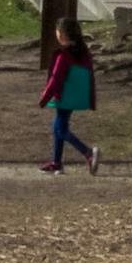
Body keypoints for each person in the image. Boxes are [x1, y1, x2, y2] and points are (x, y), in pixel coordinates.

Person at [36, 15, 101, 172]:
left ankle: (88, 153)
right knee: (59, 124)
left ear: (62, 34)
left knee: (60, 129)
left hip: (64, 95)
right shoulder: (83, 53)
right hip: (76, 96)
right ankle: (56, 162)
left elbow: (55, 79)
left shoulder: (63, 56)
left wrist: (44, 97)